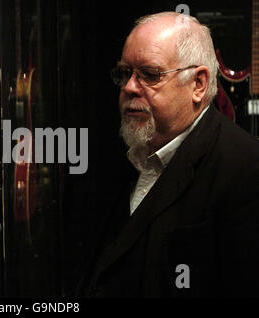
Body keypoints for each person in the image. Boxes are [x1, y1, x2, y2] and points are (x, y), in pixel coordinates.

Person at [78, 12, 259, 297]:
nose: (129, 87)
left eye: (150, 75)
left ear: (198, 84)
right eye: (125, 73)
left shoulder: (245, 168)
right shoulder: (127, 152)